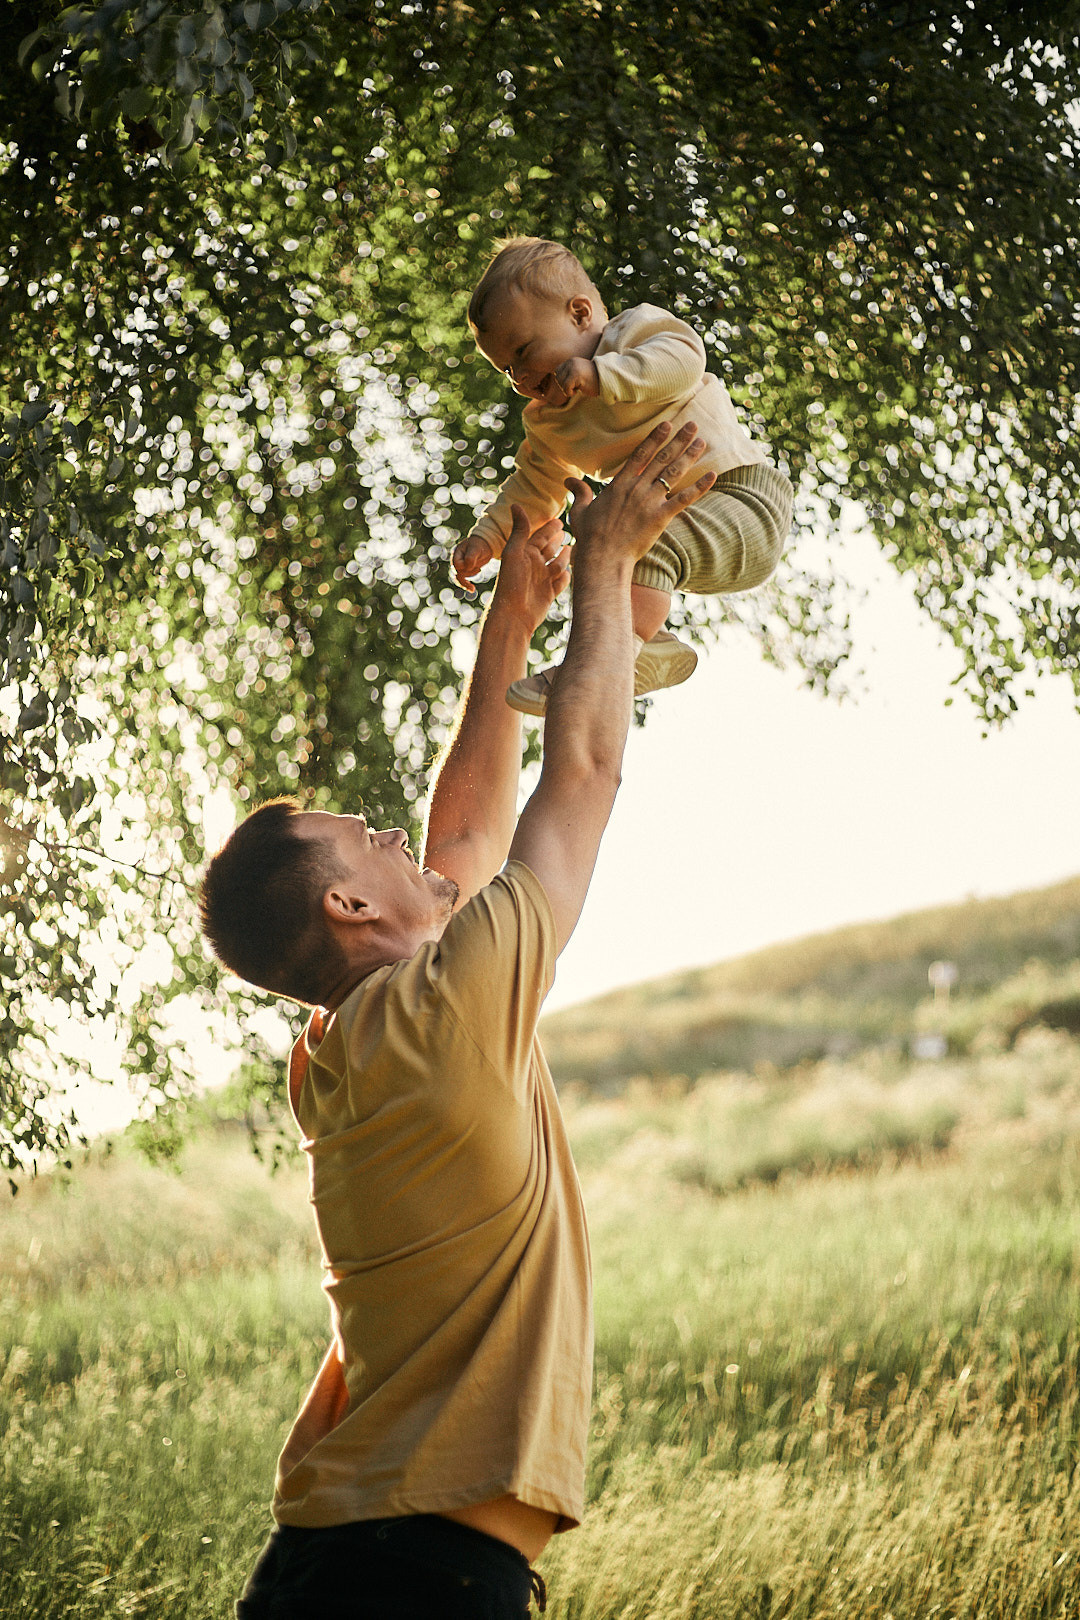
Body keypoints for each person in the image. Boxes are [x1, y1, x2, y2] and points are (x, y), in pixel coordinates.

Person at [198, 421, 716, 1620]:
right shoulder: (439, 1016)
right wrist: (606, 562)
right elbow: (578, 774)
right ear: (343, 903)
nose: (392, 837)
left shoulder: (337, 1055)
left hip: (344, 1558)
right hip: (416, 1577)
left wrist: (511, 621)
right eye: (359, 840)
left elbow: (463, 836)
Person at [452, 235, 794, 715]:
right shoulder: (551, 423)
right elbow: (531, 488)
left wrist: (603, 376)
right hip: (682, 516)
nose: (521, 379)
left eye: (525, 351)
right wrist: (487, 538)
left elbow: (684, 360)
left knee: (625, 542)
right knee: (601, 546)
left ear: (579, 314)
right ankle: (642, 650)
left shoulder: (632, 335)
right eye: (507, 370)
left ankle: (601, 662)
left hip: (742, 495)